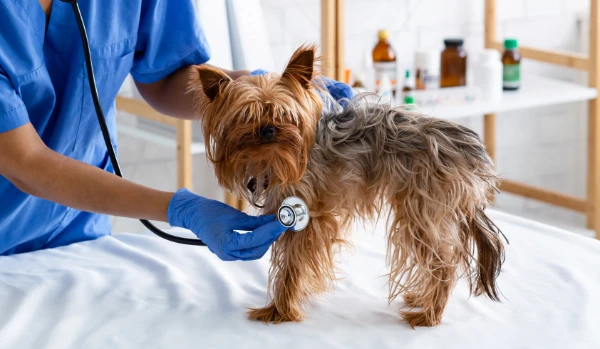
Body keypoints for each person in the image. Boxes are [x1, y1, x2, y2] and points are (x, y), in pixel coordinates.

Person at [0, 0, 352, 258]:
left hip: (81, 228)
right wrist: (178, 208)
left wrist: (249, 87)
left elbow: (167, 76)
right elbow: (25, 161)